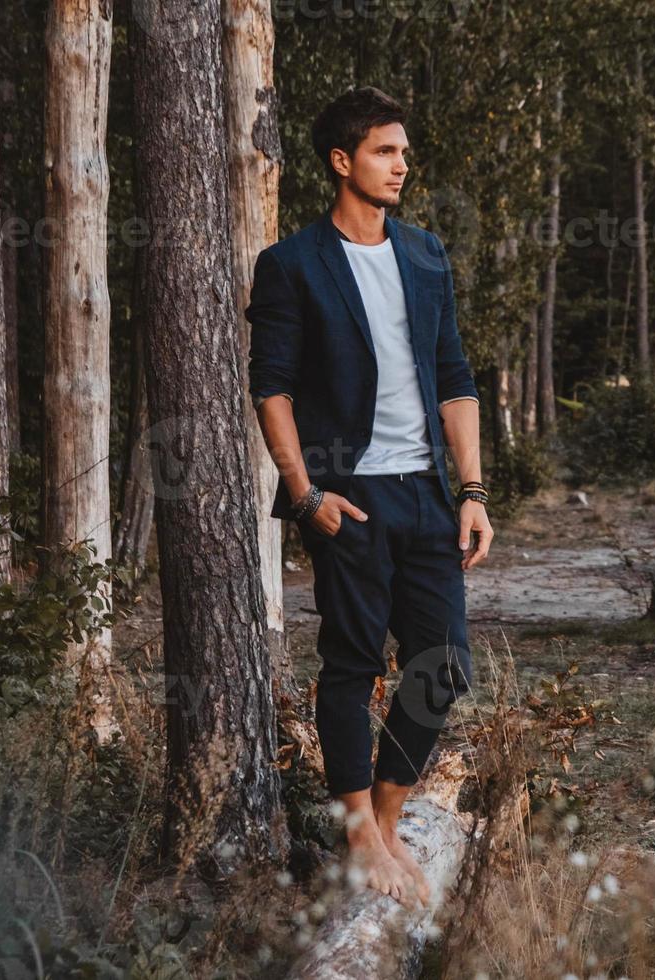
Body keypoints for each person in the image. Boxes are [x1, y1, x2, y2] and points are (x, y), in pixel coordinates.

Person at [246, 86, 492, 908]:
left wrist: (473, 490)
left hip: (425, 494)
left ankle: (386, 822)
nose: (402, 164)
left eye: (404, 152)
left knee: (443, 662)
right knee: (352, 664)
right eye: (387, 151)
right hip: (345, 498)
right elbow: (271, 390)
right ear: (342, 162)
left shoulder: (424, 254)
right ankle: (357, 834)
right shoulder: (291, 264)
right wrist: (305, 493)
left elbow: (455, 377)